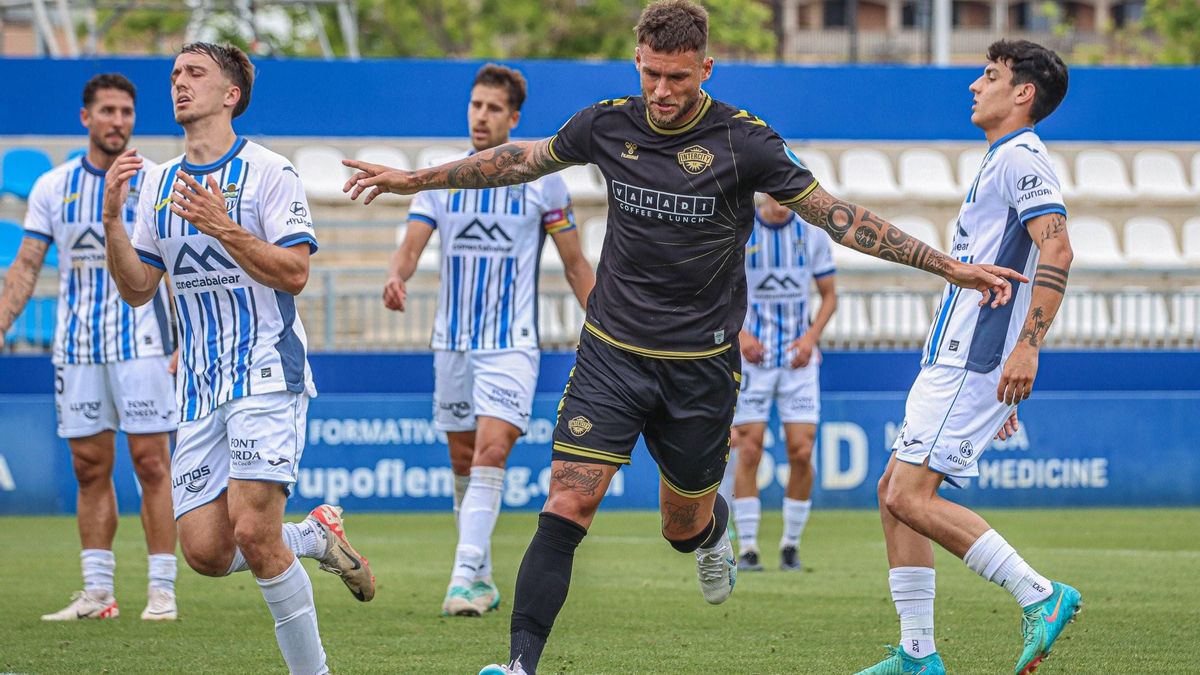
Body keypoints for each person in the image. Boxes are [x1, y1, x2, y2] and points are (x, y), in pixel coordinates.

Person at [341, 3, 1024, 672]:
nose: (663, 92)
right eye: (652, 75)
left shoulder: (745, 141)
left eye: (679, 78)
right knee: (568, 500)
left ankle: (711, 530)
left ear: (707, 68)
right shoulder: (606, 125)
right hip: (611, 354)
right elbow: (521, 162)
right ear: (637, 61)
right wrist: (415, 180)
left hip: (700, 368)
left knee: (681, 526)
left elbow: (836, 215)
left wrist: (948, 265)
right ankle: (519, 664)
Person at [100, 43, 373, 674]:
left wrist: (224, 227)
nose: (179, 83)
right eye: (173, 74)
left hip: (265, 371)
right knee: (205, 552)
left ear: (231, 95)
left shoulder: (270, 172)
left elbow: (296, 273)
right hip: (198, 388)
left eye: (195, 73)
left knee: (253, 532)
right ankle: (312, 537)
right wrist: (113, 220)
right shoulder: (160, 182)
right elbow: (139, 289)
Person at [855, 40, 1078, 675]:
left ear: (1023, 93)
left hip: (974, 355)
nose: (974, 87)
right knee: (891, 491)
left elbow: (1057, 252)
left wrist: (1025, 349)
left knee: (908, 493)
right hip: (956, 354)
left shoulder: (1022, 158)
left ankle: (1040, 594)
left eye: (989, 76)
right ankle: (918, 655)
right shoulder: (1000, 158)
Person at [382, 63, 595, 617]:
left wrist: (605, 323)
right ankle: (479, 573)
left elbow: (575, 264)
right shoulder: (439, 179)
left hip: (510, 343)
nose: (481, 115)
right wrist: (396, 276)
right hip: (451, 341)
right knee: (461, 457)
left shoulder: (544, 182)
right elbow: (411, 245)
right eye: (476, 105)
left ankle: (459, 579)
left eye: (493, 108)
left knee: (491, 450)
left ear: (513, 118)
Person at [0, 73, 181, 622]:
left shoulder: (153, 181)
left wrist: (187, 340)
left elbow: (174, 266)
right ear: (86, 118)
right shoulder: (53, 187)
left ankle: (161, 588)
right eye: (107, 111)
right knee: (87, 467)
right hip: (77, 347)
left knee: (151, 462)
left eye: (126, 111)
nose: (118, 121)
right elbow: (28, 264)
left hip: (143, 343)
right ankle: (98, 593)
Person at [721, 193, 837, 573]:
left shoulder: (812, 233)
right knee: (749, 449)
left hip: (798, 360)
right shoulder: (742, 229)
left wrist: (810, 338)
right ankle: (750, 546)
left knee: (802, 451)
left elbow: (829, 296)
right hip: (753, 360)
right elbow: (720, 290)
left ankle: (790, 543)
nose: (781, 197)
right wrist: (740, 335)